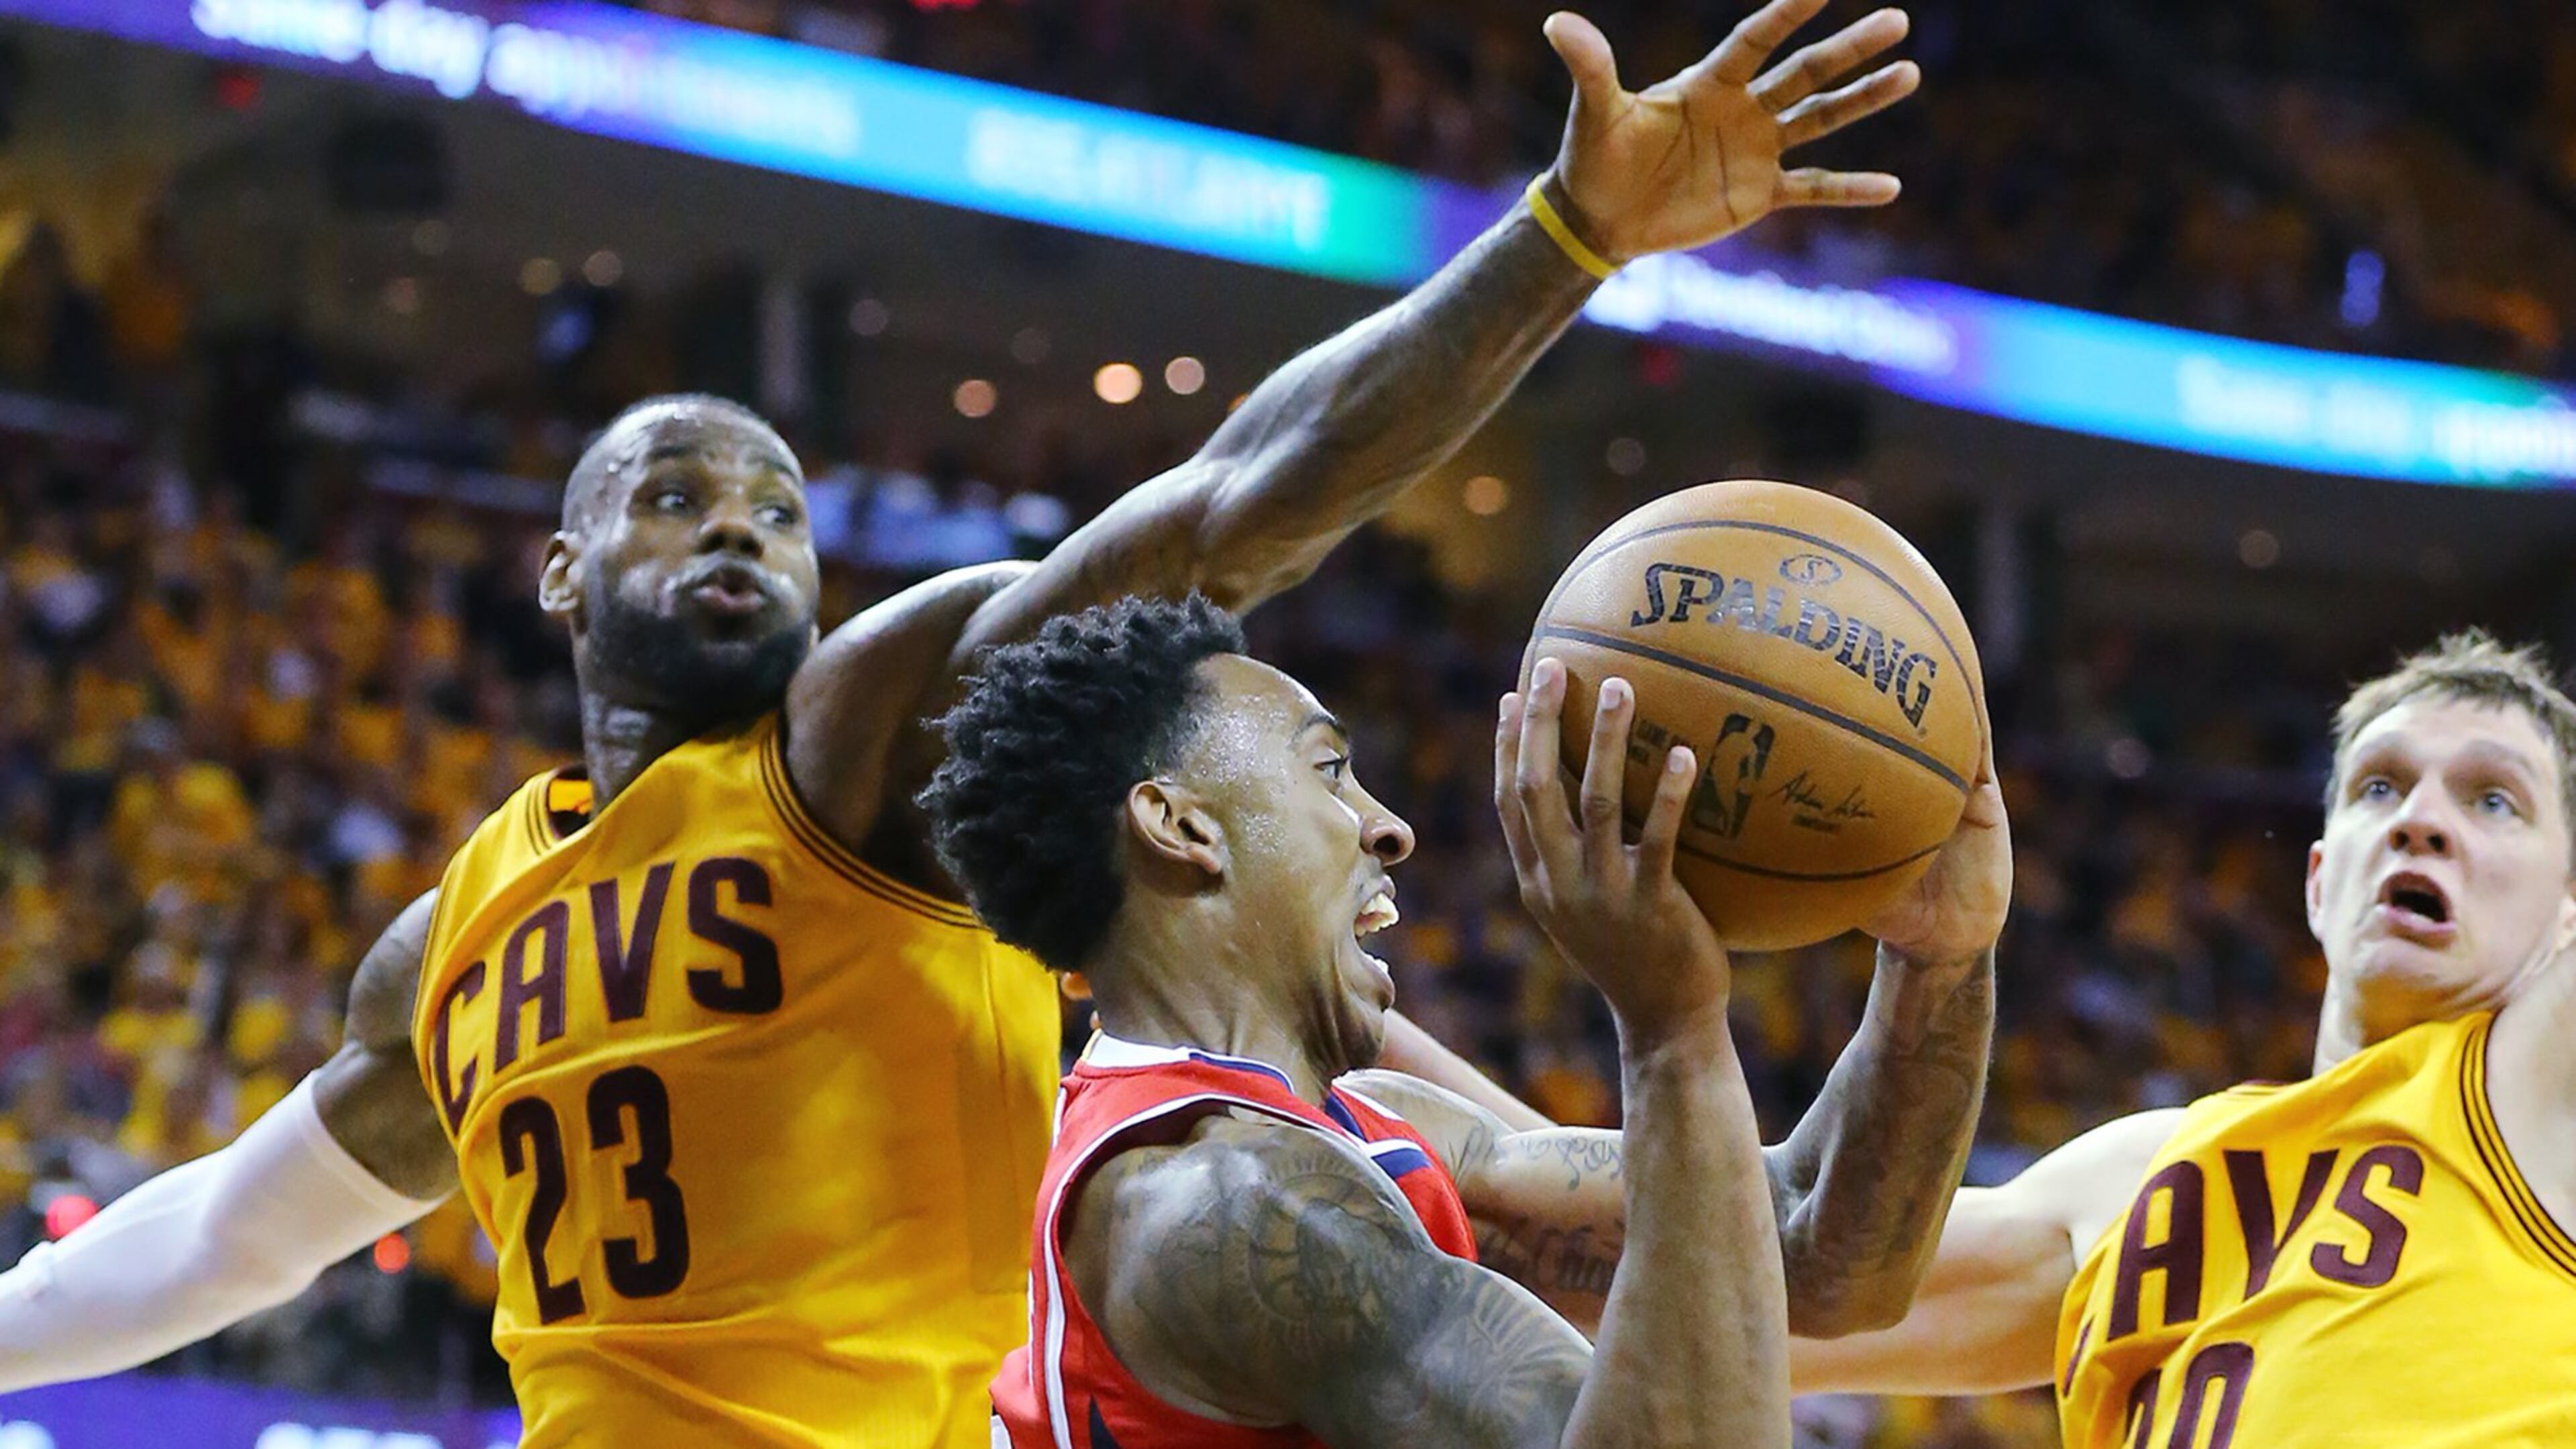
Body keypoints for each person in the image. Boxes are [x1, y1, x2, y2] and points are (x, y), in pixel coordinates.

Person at [0, 3, 1931, 1444]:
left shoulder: (858, 752)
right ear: (563, 577)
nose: (740, 527)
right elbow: (235, 1237)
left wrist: (1566, 241)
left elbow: (1238, 498)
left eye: (775, 506)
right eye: (673, 496)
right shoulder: (461, 931)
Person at [920, 599, 2008, 1446]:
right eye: (1329, 772)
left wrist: (1937, 960)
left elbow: (1822, 1256)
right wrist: (1672, 1033)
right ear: (1180, 827)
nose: (1386, 829)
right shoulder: (1221, 1205)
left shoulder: (1367, 1127)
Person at [1774, 630, 2576, 1444]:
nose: (2421, 820)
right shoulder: (2142, 1175)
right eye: (2380, 786)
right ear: (2320, 882)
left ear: (2568, 911)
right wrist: (1679, 1030)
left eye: (2494, 801)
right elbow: (1764, 1289)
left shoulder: (2543, 1112)